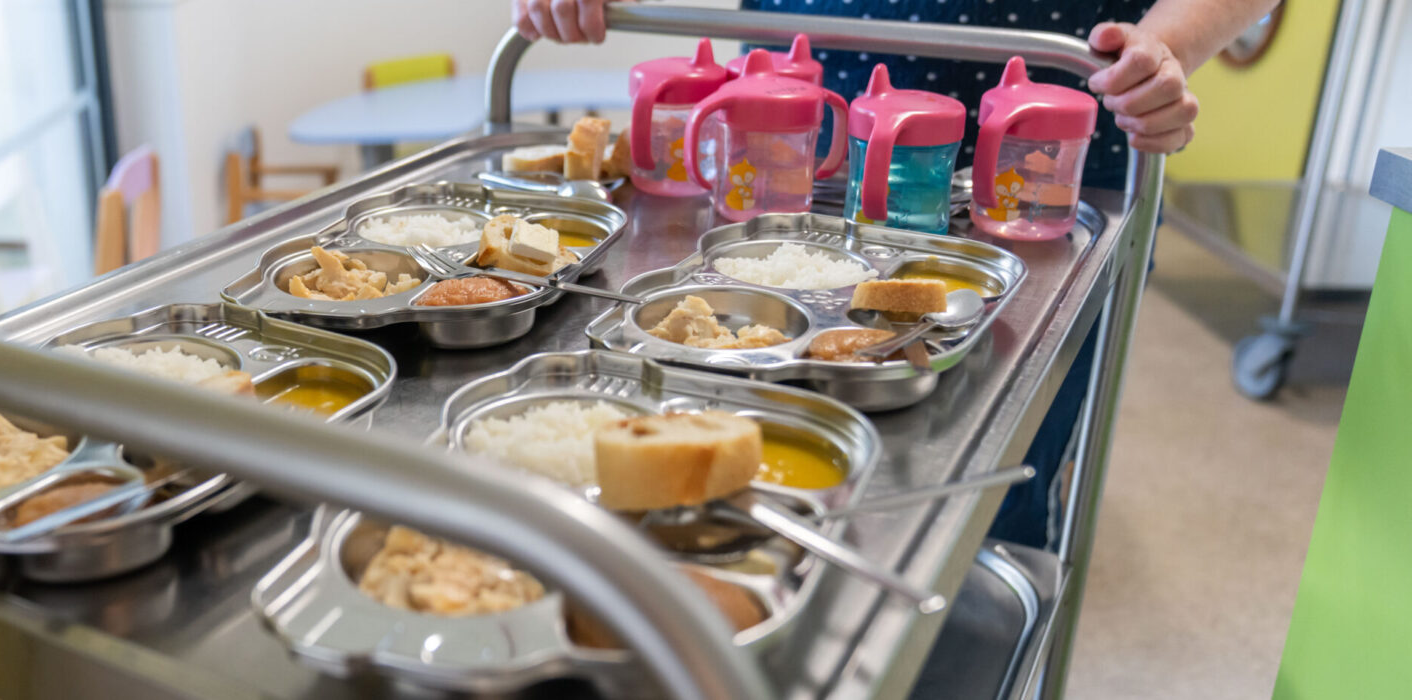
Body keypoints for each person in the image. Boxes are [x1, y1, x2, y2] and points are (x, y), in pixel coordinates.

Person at [510, 0, 1278, 547]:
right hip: (796, 133)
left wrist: (1163, 45)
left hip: (1051, 165)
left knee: (988, 489)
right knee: (735, 435)